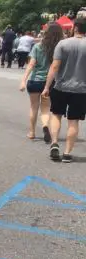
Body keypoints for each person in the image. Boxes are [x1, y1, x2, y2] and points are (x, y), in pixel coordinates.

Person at [42, 17, 86, 163]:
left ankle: (54, 143)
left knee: (56, 115)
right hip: (81, 89)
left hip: (61, 86)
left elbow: (54, 67)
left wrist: (47, 86)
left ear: (75, 28)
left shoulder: (63, 44)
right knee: (74, 122)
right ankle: (67, 153)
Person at [20, 23, 63, 142]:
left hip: (35, 81)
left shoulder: (38, 46)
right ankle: (45, 126)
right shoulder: (59, 48)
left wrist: (23, 80)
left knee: (34, 107)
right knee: (45, 109)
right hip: (49, 82)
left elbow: (31, 64)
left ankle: (32, 132)